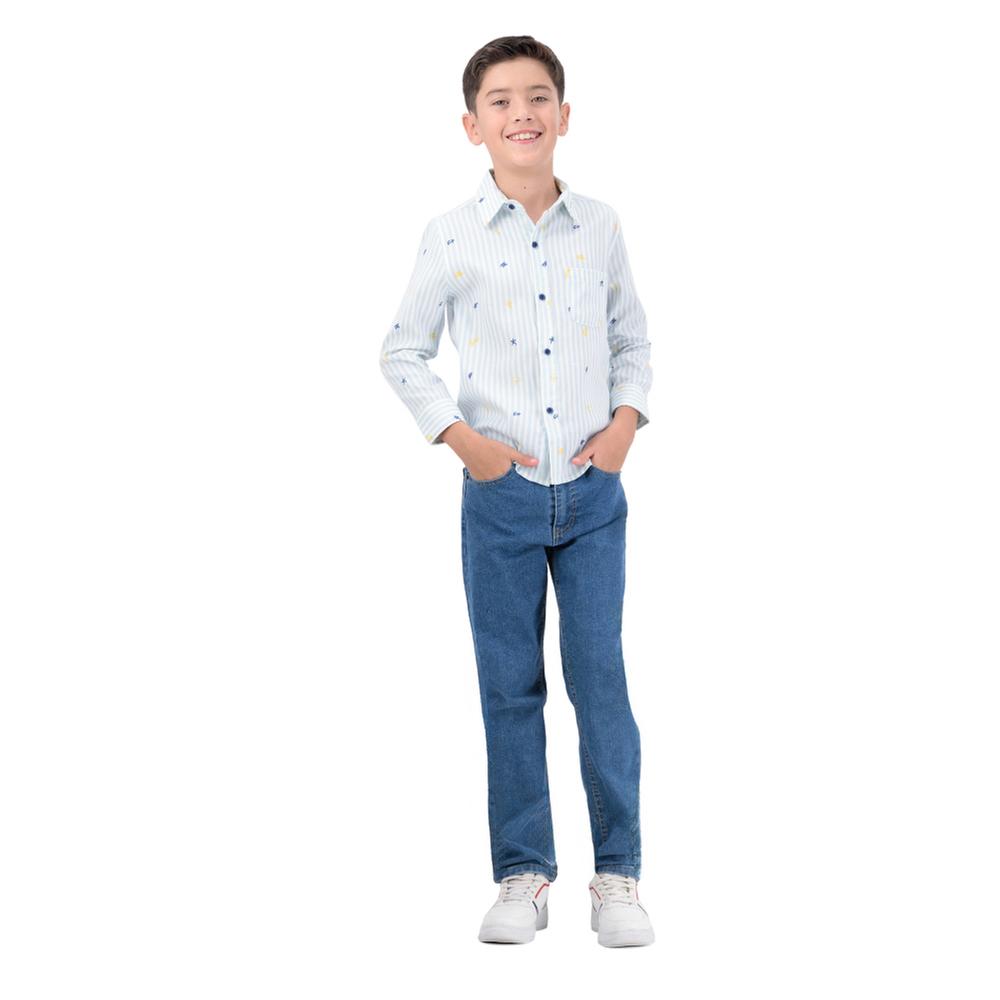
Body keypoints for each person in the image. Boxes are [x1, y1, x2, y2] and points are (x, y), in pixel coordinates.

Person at [378, 35, 654, 948]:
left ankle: (618, 875)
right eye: (499, 101)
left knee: (600, 679)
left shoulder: (600, 225)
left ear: (564, 116)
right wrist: (464, 443)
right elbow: (402, 352)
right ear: (473, 126)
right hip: (499, 497)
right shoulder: (451, 234)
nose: (521, 113)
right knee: (509, 687)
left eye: (538, 97)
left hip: (592, 494)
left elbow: (631, 339)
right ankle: (522, 873)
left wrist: (624, 425)